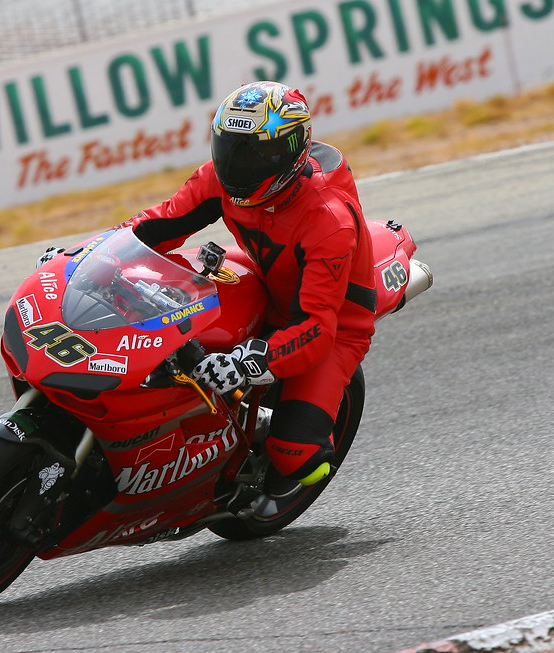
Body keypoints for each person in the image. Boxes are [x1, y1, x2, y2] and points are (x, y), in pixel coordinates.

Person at [123, 80, 377, 517]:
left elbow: (317, 328)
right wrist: (87, 253)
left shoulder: (328, 222)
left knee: (297, 458)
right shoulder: (219, 178)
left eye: (254, 155)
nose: (236, 167)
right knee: (161, 308)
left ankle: (280, 464)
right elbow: (156, 226)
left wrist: (245, 361)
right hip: (261, 279)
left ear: (290, 154)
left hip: (333, 326)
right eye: (229, 149)